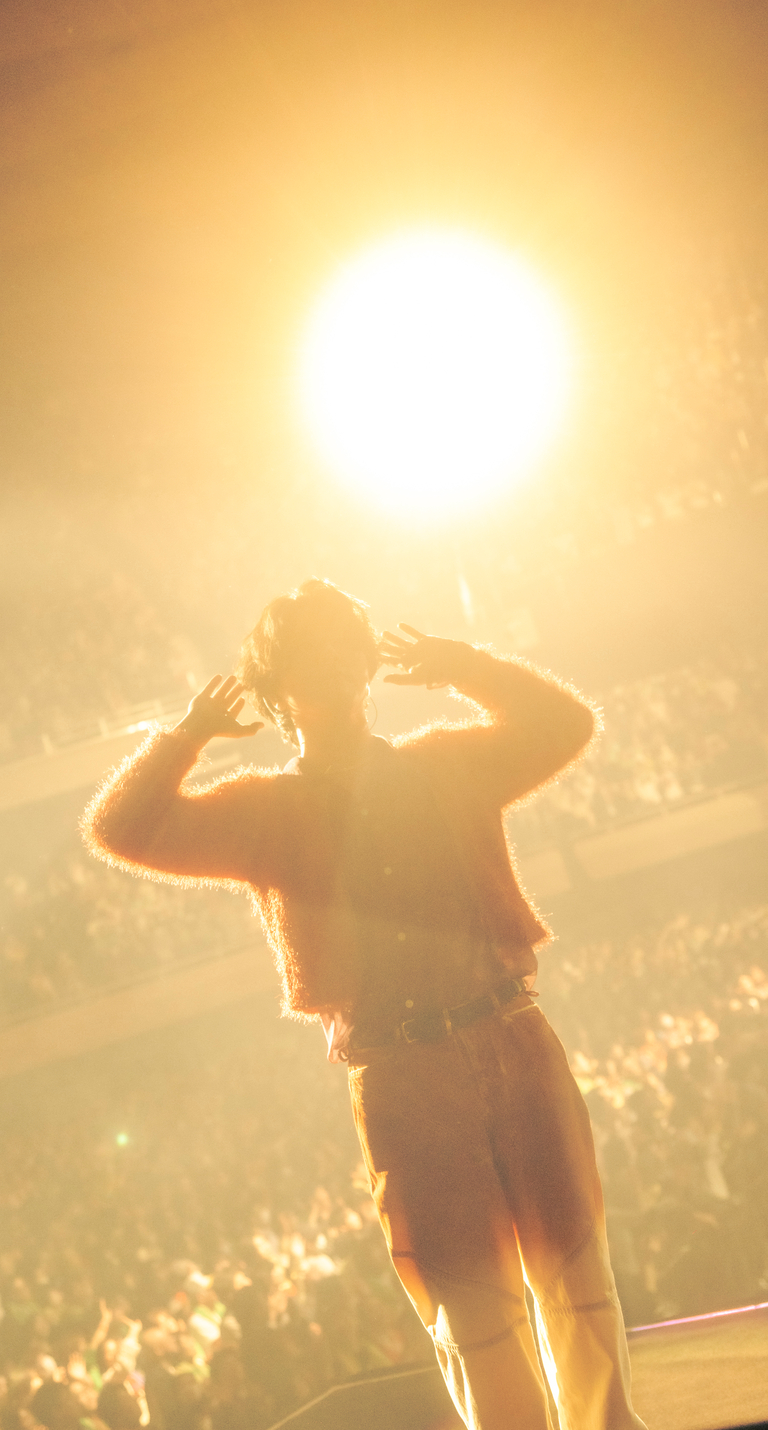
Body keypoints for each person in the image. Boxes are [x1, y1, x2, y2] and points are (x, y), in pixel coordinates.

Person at [83, 578, 647, 1430]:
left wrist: (464, 665)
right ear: (279, 695)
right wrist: (188, 737)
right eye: (317, 665)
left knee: (576, 1268)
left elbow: (569, 726)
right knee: (470, 1304)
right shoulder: (264, 811)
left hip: (510, 1031)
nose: (342, 678)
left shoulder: (443, 762)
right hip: (402, 1070)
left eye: (351, 657)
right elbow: (119, 831)